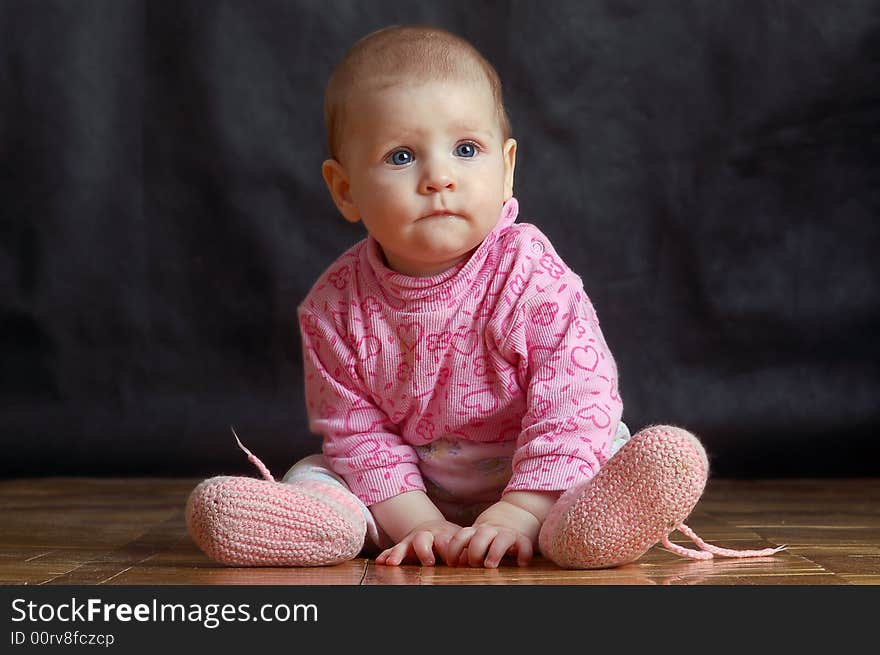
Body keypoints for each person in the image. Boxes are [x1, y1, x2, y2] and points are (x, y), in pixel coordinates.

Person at [186, 25, 784, 569]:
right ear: (345, 190)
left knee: (606, 443)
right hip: (411, 490)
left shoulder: (529, 273)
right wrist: (420, 524)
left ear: (507, 168)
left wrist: (520, 509)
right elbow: (356, 430)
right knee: (320, 470)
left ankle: (577, 530)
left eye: (466, 149)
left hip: (543, 470)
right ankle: (328, 527)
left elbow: (575, 399)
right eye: (401, 156)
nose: (438, 176)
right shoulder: (334, 308)